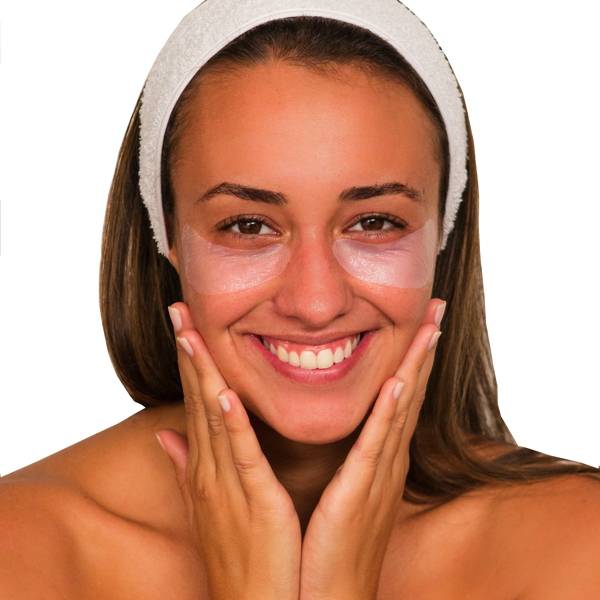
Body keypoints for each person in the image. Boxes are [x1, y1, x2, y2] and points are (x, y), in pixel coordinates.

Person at [1, 1, 599, 598]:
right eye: (248, 226)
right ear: (167, 238)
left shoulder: (579, 544)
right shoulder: (20, 549)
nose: (316, 303)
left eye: (374, 222)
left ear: (442, 235)